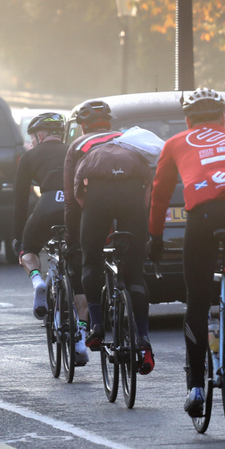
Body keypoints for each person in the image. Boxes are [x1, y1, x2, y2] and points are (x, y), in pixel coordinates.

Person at [147, 88, 225, 419]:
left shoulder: (175, 143)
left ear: (187, 120)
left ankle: (197, 387)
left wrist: (155, 238)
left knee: (197, 301)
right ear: (223, 118)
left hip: (205, 211)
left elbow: (159, 195)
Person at [64, 99, 158, 373]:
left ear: (82, 126)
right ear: (110, 125)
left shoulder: (77, 146)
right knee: (135, 273)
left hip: (98, 197)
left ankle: (95, 324)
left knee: (90, 261)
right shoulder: (128, 140)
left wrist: (76, 238)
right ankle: (143, 339)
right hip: (132, 193)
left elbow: (72, 198)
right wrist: (144, 231)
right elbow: (147, 191)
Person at [13, 111, 90, 366]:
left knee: (29, 251)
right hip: (74, 209)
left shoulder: (28, 156)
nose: (33, 141)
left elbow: (20, 201)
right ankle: (80, 339)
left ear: (40, 134)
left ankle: (37, 282)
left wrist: (19, 239)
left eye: (33, 137)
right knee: (78, 283)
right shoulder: (76, 149)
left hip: (46, 206)